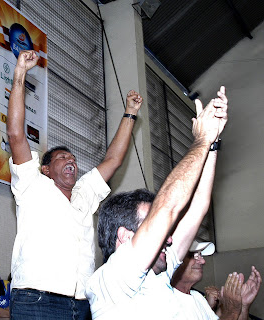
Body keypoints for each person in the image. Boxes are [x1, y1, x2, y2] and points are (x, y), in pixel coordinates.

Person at [6, 50, 143, 320]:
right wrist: (20, 73)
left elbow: (113, 160)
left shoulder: (84, 193)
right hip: (37, 300)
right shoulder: (32, 184)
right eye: (61, 157)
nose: (71, 160)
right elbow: (15, 133)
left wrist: (130, 113)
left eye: (73, 157)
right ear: (45, 168)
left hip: (81, 305)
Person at [86, 87, 241, 319]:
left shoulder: (158, 275)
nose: (168, 238)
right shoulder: (110, 280)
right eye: (155, 227)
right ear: (125, 237)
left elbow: (198, 205)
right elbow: (167, 208)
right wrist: (201, 140)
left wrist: (213, 142)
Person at [171, 243, 262, 320]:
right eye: (194, 256)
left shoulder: (197, 297)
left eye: (200, 255)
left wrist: (243, 306)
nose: (203, 261)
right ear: (173, 260)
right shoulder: (167, 301)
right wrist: (231, 310)